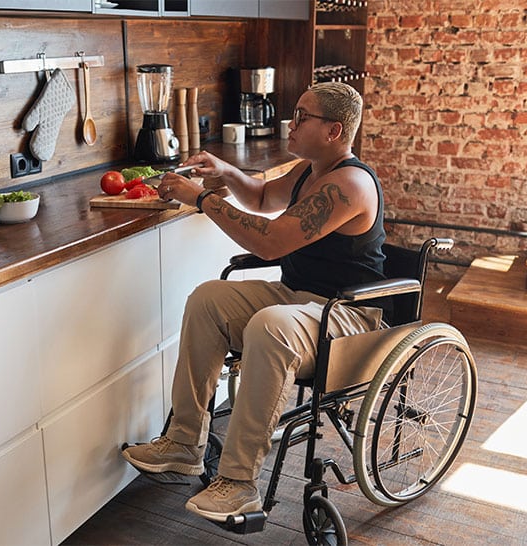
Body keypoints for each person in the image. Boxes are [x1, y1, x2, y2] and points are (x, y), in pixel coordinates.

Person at [122, 81, 389, 523]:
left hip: (348, 315)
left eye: (304, 116)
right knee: (209, 298)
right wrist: (225, 172)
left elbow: (271, 244)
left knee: (271, 324)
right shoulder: (310, 171)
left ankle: (239, 484)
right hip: (298, 302)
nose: (292, 122)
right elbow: (262, 198)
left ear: (334, 130)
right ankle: (186, 442)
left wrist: (203, 199)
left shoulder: (349, 183)